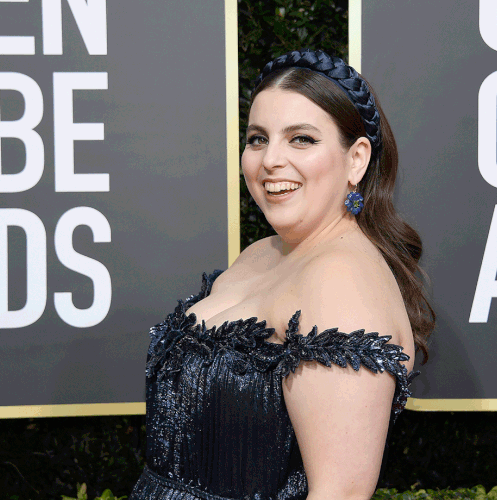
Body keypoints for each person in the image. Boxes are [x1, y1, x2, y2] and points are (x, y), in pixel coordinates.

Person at [130, 49, 435, 500]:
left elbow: (340, 493)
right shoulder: (260, 254)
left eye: (301, 139)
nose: (270, 160)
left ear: (356, 159)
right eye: (257, 139)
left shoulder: (342, 281)